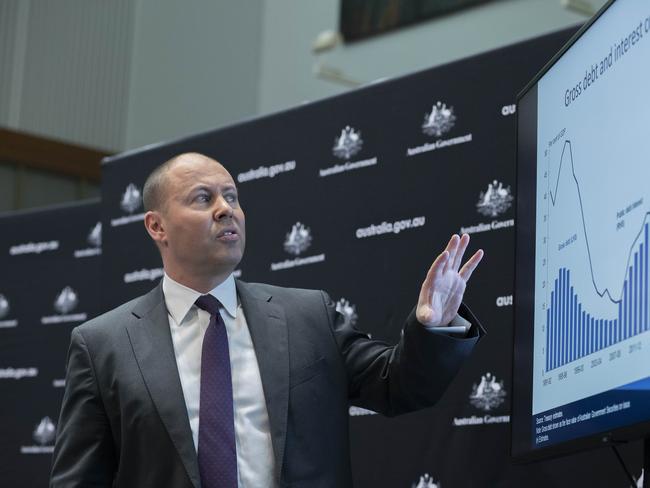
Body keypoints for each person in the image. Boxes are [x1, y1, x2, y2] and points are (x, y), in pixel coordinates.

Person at [50, 152, 485, 488]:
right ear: (156, 226)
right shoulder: (103, 344)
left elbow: (400, 386)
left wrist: (432, 328)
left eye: (232, 197)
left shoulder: (307, 316)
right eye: (204, 198)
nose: (226, 209)